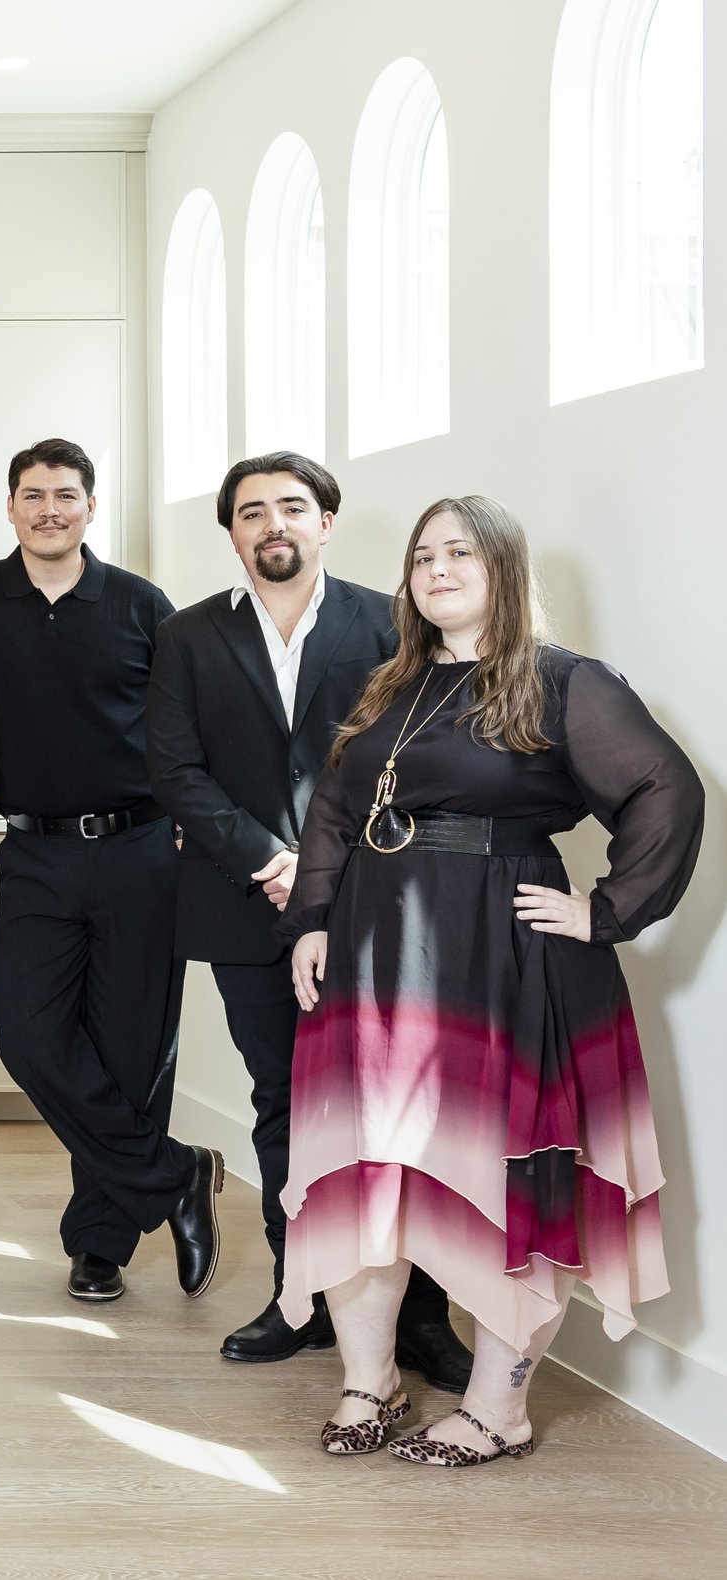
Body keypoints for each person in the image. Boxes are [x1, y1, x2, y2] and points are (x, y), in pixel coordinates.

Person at [279, 496, 699, 1465]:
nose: (435, 567)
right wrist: (309, 921)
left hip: (498, 959)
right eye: (422, 554)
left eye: (458, 550)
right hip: (376, 962)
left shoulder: (563, 680)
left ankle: (496, 1408)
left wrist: (606, 908)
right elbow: (335, 814)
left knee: (505, 1176)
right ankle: (367, 1382)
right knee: (363, 1165)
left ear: (502, 568)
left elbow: (665, 786)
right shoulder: (391, 685)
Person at [147, 452, 472, 1387]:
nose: (272, 524)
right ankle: (302, 1297)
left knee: (395, 1108)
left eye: (292, 507)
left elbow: (422, 755)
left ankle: (419, 1316)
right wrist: (269, 859)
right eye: (252, 512)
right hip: (243, 906)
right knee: (283, 1102)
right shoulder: (189, 636)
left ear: (327, 520)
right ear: (234, 532)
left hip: (377, 903)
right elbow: (175, 770)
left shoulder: (389, 622)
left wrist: (327, 866)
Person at [0, 437, 224, 1304]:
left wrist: (194, 825)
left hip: (144, 851)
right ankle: (175, 1175)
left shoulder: (144, 605)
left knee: (129, 1051)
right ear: (10, 507)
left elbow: (188, 726)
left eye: (66, 495)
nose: (50, 509)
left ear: (90, 507)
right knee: (30, 1036)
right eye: (33, 495)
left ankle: (99, 1241)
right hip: (32, 851)